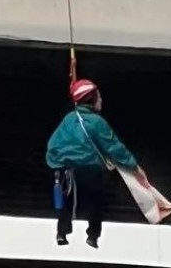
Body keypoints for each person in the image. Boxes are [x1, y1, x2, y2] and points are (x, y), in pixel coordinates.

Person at [46, 78, 142, 248]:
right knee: (96, 203)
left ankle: (62, 233)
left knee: (66, 203)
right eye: (99, 97)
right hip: (91, 171)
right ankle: (93, 235)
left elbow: (53, 145)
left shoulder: (68, 119)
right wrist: (133, 165)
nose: (101, 100)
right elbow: (113, 147)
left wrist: (57, 164)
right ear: (92, 99)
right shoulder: (98, 122)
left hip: (68, 171)